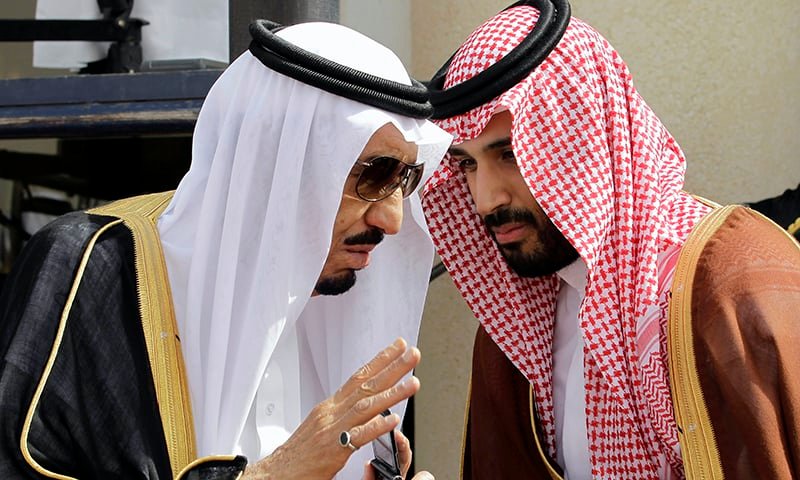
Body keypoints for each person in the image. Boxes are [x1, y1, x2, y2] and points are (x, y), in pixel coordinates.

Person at [0, 19, 451, 480]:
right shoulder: (95, 266)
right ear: (281, 157)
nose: (391, 220)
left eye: (404, 181)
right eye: (374, 175)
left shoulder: (349, 312)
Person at [420, 1, 800, 478]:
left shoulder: (726, 284)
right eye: (467, 164)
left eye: (511, 155)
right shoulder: (515, 323)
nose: (486, 200)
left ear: (585, 142)